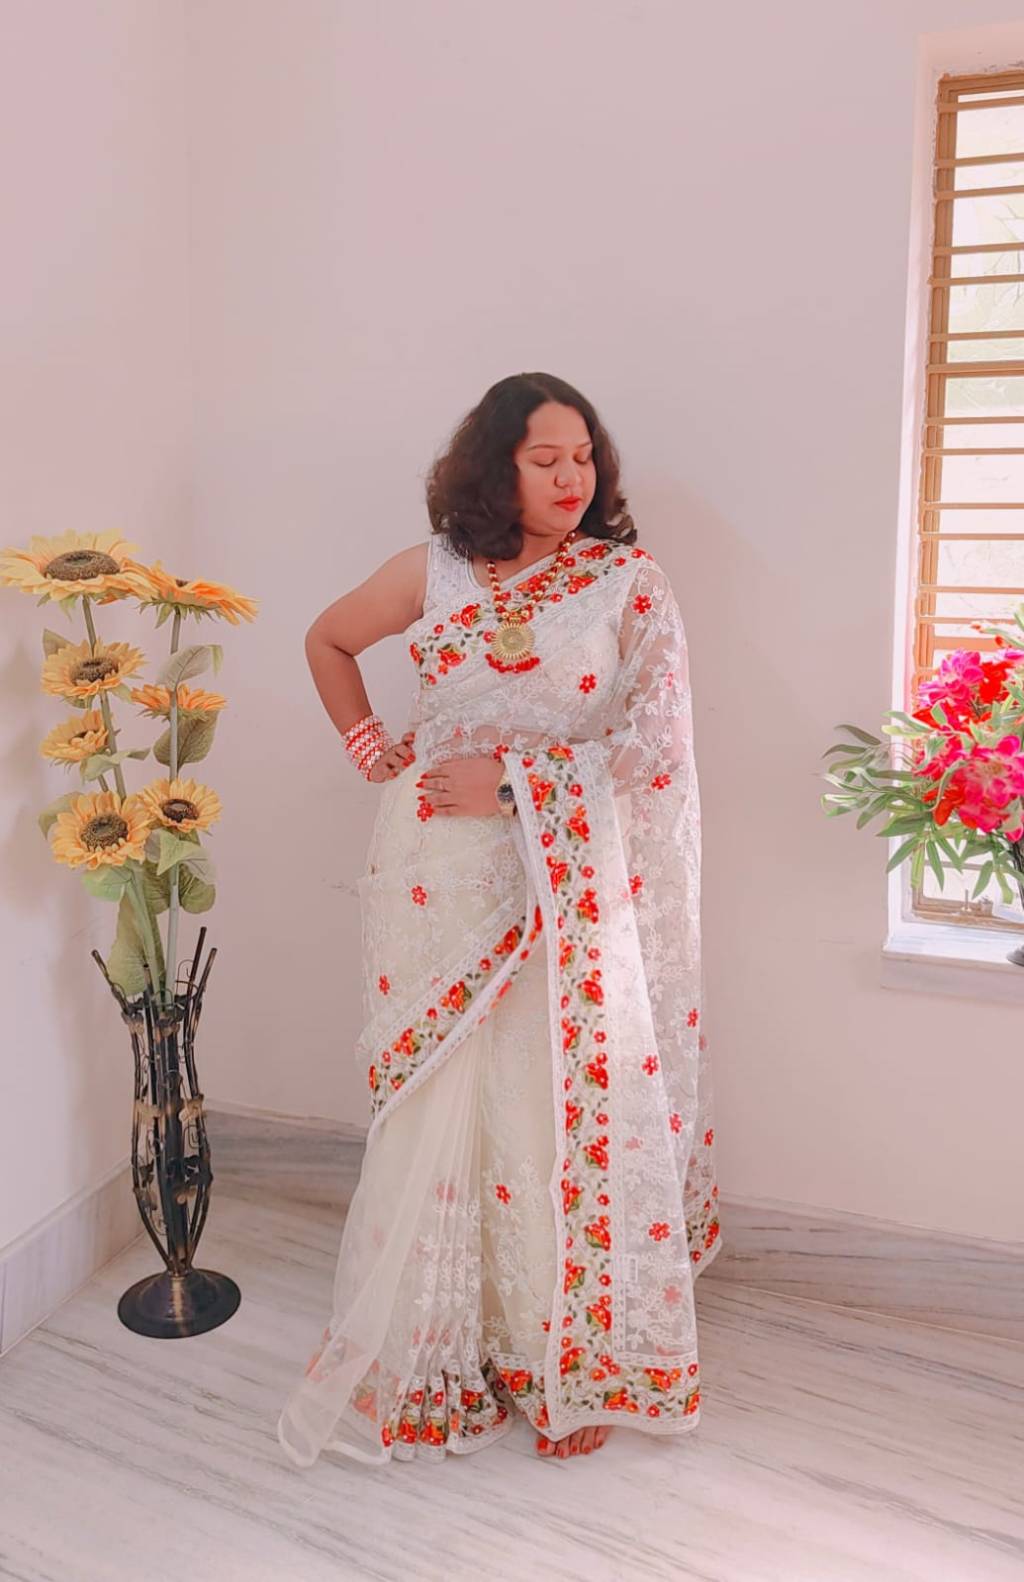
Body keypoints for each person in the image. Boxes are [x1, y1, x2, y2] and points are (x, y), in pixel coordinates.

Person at [277, 371, 722, 1469]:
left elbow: (652, 748)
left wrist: (516, 785)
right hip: (433, 872)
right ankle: (441, 1343)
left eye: (584, 457)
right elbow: (327, 639)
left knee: (551, 1104)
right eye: (544, 459)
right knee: (440, 1103)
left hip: (562, 883)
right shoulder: (430, 569)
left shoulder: (626, 584)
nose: (573, 478)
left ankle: (567, 1358)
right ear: (495, 466)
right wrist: (371, 747)